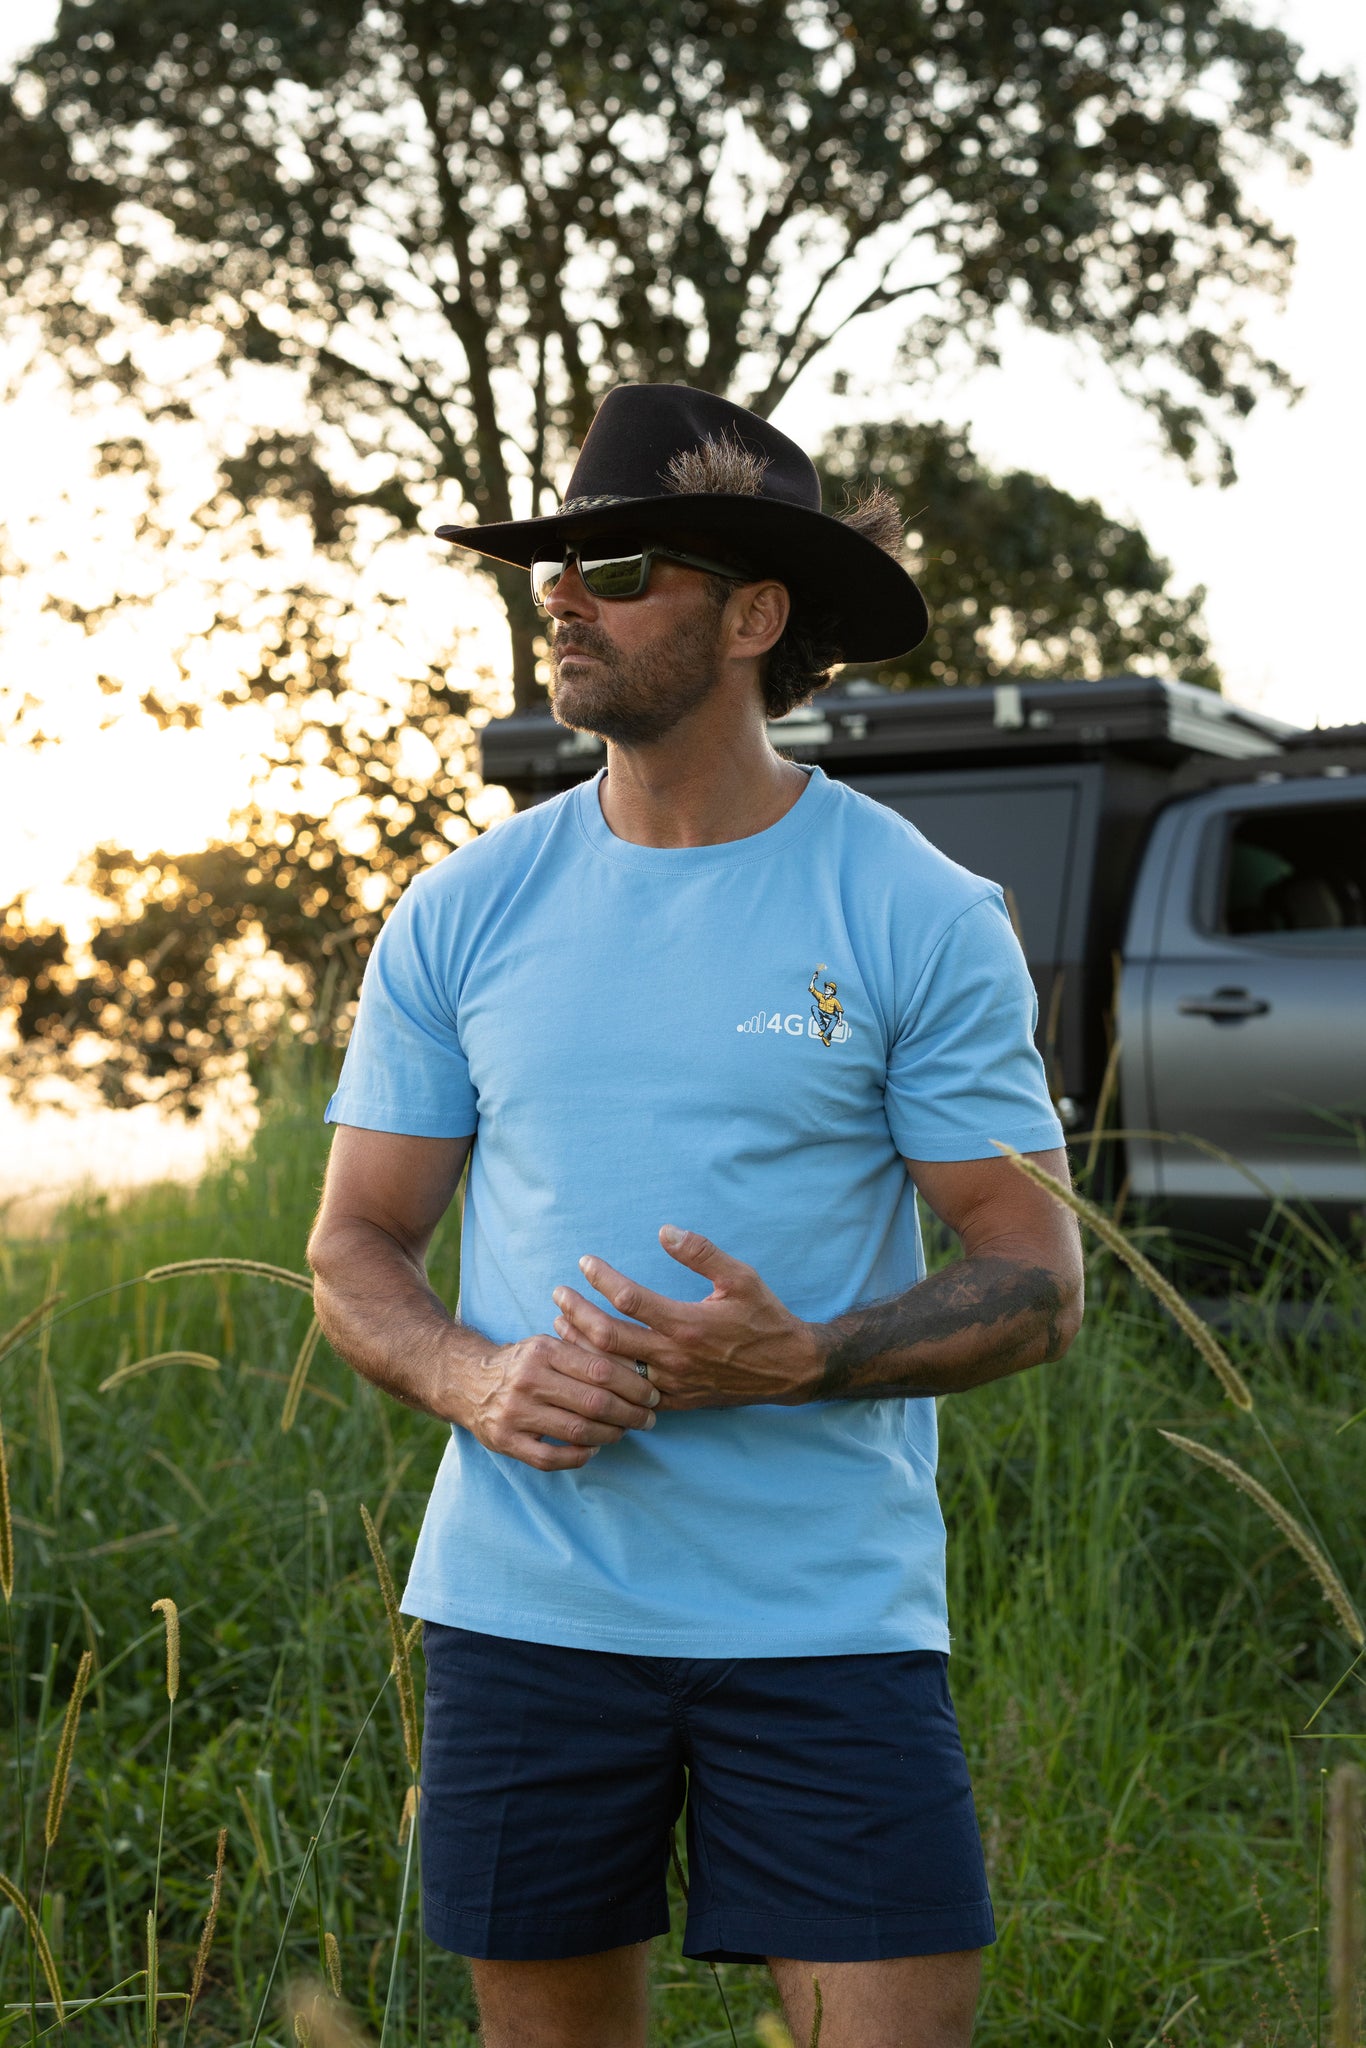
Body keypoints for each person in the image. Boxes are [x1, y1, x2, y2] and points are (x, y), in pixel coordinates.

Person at [308, 384, 1084, 2048]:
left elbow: (1033, 1277)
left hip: (825, 1627)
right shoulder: (461, 911)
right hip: (525, 1618)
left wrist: (799, 1360)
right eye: (554, 571)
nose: (562, 600)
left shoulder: (916, 911)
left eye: (617, 568)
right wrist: (470, 1377)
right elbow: (355, 1242)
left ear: (751, 616)